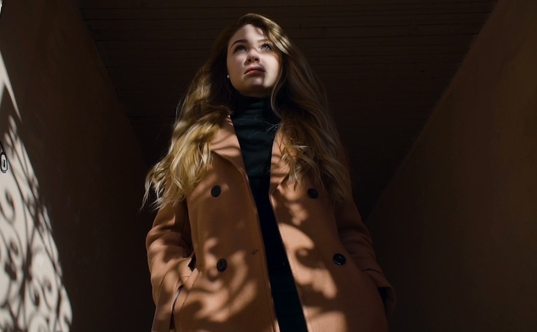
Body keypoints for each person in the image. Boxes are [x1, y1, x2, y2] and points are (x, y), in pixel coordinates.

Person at [144, 13, 396, 332]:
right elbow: (167, 235)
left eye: (266, 46)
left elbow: (348, 228)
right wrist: (177, 295)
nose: (253, 54)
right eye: (240, 48)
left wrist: (369, 284)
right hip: (225, 311)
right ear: (225, 68)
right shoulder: (194, 144)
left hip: (328, 308)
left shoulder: (316, 138)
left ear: (283, 62)